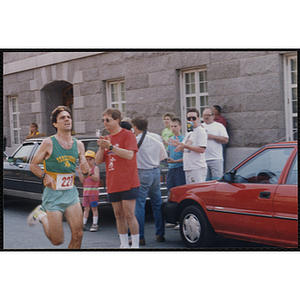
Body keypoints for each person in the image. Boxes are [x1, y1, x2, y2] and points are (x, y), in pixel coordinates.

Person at [27, 106, 89, 249]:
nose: (67, 119)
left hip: (71, 193)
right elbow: (33, 165)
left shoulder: (79, 145)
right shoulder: (48, 142)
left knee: (78, 234)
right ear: (55, 124)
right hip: (53, 195)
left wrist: (85, 171)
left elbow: (84, 172)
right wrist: (45, 175)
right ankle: (41, 215)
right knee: (57, 241)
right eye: (62, 118)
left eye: (68, 117)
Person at [95, 108, 140, 248]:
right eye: (103, 120)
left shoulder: (127, 135)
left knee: (129, 214)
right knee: (118, 215)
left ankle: (136, 245)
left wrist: (111, 147)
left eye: (107, 120)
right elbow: (97, 161)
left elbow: (129, 155)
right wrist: (102, 148)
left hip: (128, 181)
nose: (105, 123)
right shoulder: (107, 138)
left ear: (117, 120)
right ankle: (124, 244)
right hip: (113, 182)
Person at [131, 116, 166, 245]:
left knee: (139, 205)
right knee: (157, 204)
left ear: (135, 127)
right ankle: (160, 234)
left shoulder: (135, 140)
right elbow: (163, 156)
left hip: (141, 172)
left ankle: (140, 236)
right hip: (155, 171)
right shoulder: (156, 138)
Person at [171, 108, 207, 184]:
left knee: (197, 191)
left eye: (193, 118)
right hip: (188, 167)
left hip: (197, 167)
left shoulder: (201, 131)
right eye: (189, 118)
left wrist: (185, 146)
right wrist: (179, 145)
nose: (191, 120)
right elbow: (185, 149)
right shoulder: (189, 130)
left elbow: (202, 149)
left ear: (198, 118)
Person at [165, 118, 186, 229]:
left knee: (180, 194)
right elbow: (169, 152)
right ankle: (172, 220)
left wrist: (175, 161)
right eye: (172, 126)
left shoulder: (183, 139)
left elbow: (187, 156)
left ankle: (179, 221)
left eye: (175, 126)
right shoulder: (171, 139)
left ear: (180, 127)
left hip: (179, 168)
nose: (173, 128)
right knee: (170, 193)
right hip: (171, 168)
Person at [202, 107, 229, 181]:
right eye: (204, 115)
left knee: (217, 181)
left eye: (208, 115)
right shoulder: (201, 127)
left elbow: (225, 140)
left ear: (213, 116)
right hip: (203, 159)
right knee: (205, 182)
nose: (206, 117)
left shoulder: (219, 126)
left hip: (216, 158)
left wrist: (213, 137)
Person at [76, 150, 100, 232]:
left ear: (94, 160)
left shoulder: (95, 168)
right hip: (86, 192)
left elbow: (96, 178)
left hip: (93, 192)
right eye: (87, 159)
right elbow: (83, 181)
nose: (89, 161)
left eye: (90, 159)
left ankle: (95, 224)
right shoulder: (84, 170)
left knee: (94, 208)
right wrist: (79, 173)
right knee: (86, 209)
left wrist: (89, 173)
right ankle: (83, 223)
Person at [212, 105, 228, 170]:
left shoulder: (221, 120)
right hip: (213, 142)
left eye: (213, 110)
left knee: (221, 157)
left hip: (220, 142)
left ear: (216, 111)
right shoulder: (212, 119)